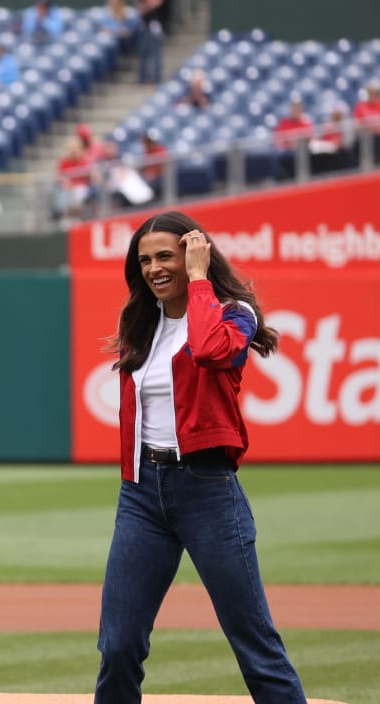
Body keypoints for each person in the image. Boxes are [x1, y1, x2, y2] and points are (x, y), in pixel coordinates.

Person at [95, 211, 307, 704]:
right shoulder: (139, 323)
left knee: (253, 641)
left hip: (207, 489)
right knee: (120, 643)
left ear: (196, 254)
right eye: (145, 260)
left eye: (165, 256)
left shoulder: (236, 313)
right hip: (142, 494)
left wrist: (197, 280)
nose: (154, 268)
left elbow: (211, 351)